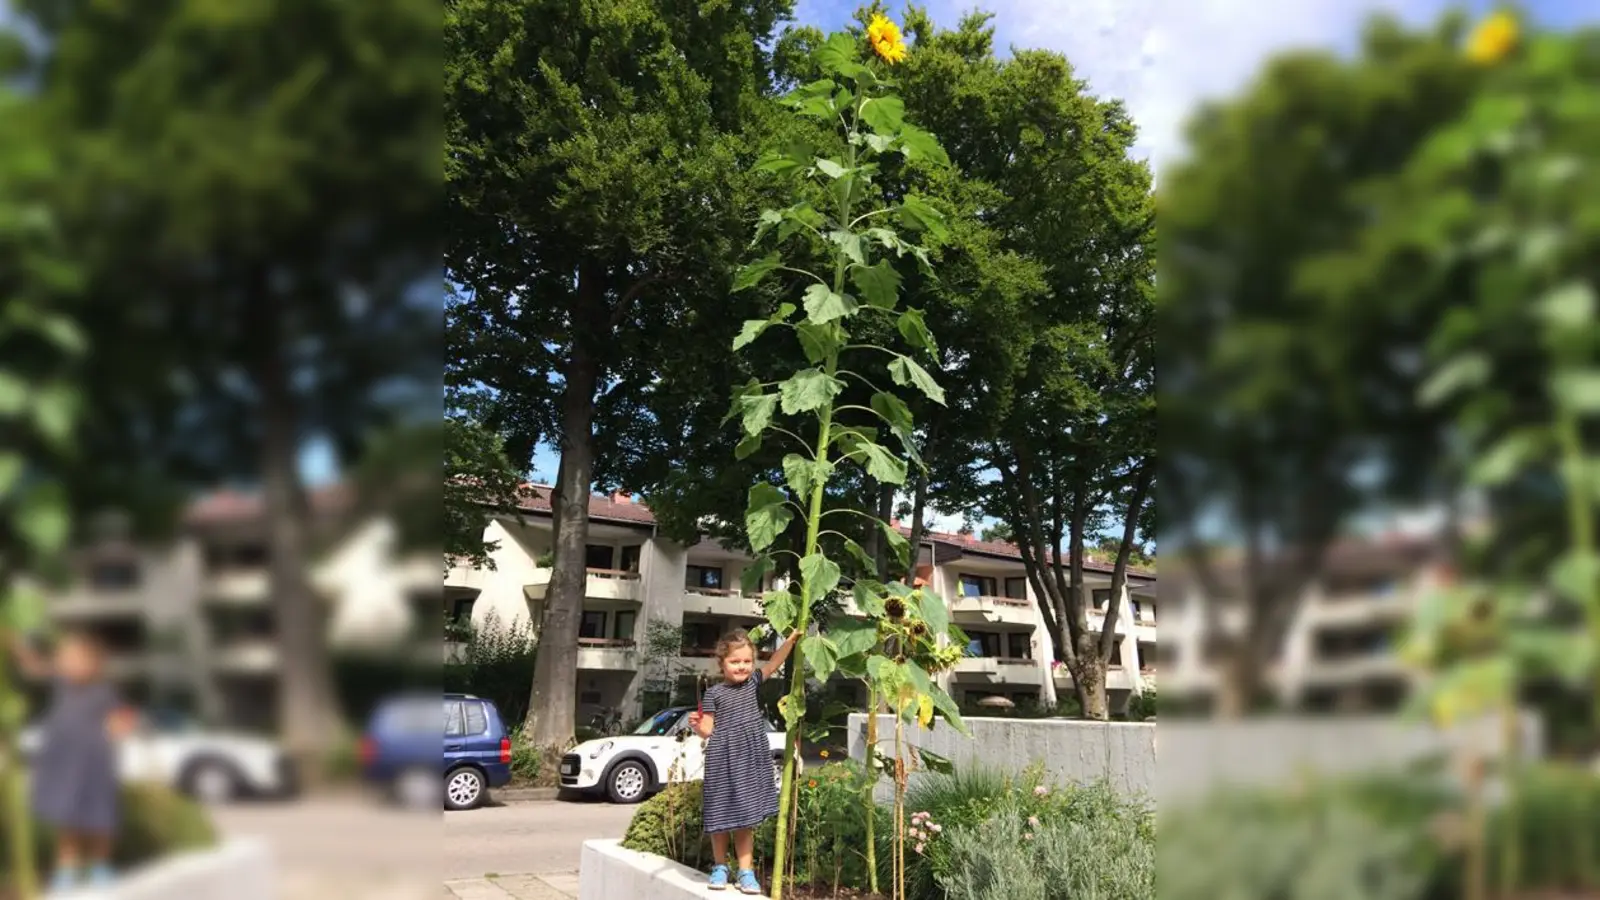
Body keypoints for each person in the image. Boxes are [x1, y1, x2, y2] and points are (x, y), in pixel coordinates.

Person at [5, 628, 136, 894]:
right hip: (65, 762)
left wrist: (119, 727)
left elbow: (121, 717)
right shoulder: (60, 683)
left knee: (99, 819)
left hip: (94, 764)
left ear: (94, 664)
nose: (67, 663)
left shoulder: (104, 691)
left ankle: (100, 865)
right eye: (64, 658)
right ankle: (67, 869)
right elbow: (34, 668)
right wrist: (15, 645)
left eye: (75, 658)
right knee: (68, 819)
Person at [689, 626, 800, 895]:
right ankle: (720, 867)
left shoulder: (753, 683)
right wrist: (697, 726)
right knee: (719, 814)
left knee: (744, 817)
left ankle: (746, 872)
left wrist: (790, 641)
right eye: (735, 661)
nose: (742, 666)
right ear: (722, 663)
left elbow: (774, 663)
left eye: (747, 661)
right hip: (722, 759)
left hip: (750, 758)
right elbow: (708, 731)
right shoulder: (714, 694)